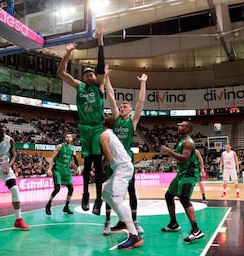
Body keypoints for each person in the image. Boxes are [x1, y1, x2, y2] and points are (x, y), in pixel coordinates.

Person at [57, 22, 106, 215]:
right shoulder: (79, 86)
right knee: (86, 165)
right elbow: (61, 73)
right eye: (86, 74)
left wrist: (100, 40)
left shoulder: (99, 86)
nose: (89, 76)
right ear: (83, 77)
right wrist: (67, 54)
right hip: (84, 128)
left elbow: (101, 66)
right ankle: (86, 194)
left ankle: (99, 199)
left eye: (91, 73)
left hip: (97, 127)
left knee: (96, 161)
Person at [102, 66, 147, 235]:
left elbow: (141, 102)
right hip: (112, 159)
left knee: (131, 191)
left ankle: (134, 221)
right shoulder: (115, 119)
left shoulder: (132, 121)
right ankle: (108, 221)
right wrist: (106, 78)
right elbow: (111, 96)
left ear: (130, 111)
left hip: (126, 159)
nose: (121, 107)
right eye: (121, 106)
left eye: (125, 106)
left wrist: (143, 83)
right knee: (108, 191)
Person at [100, 115, 143, 250]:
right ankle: (123, 221)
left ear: (103, 123)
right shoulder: (111, 134)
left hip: (123, 169)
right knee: (105, 192)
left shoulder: (104, 135)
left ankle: (134, 235)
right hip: (121, 168)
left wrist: (100, 167)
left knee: (117, 200)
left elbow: (109, 157)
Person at [160, 121, 204, 243]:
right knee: (169, 196)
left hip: (189, 173)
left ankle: (196, 230)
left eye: (183, 126)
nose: (179, 127)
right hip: (181, 173)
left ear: (188, 129)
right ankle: (173, 223)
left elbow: (184, 159)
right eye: (179, 125)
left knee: (184, 198)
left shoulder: (188, 142)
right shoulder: (181, 141)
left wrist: (169, 151)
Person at [45, 133, 80, 215]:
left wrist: (78, 167)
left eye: (70, 137)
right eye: (67, 137)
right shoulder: (60, 146)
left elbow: (75, 159)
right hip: (57, 169)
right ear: (65, 138)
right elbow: (53, 157)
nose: (68, 138)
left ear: (72, 139)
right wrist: (49, 169)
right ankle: (48, 205)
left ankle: (66, 207)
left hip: (66, 170)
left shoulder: (72, 148)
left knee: (71, 189)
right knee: (57, 189)